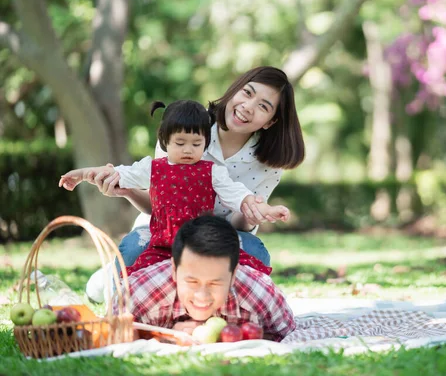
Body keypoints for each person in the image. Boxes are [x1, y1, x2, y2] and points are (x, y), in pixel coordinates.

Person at [87, 66, 305, 302]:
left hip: (221, 236)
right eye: (247, 93)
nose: (248, 107)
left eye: (263, 106)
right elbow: (158, 204)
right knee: (131, 254)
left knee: (256, 254)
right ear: (234, 91)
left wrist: (251, 214)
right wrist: (128, 191)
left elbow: (240, 225)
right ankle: (107, 279)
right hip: (164, 229)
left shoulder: (269, 163)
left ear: (270, 122)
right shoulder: (186, 127)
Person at [59, 100, 289, 275]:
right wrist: (80, 175)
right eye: (180, 143)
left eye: (197, 144)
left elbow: (238, 195)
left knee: (241, 268)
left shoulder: (212, 171)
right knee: (136, 280)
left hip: (202, 244)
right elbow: (118, 173)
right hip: (162, 244)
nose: (188, 150)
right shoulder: (152, 168)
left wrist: (266, 210)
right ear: (165, 140)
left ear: (205, 143)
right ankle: (111, 287)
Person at [114, 214, 296, 342]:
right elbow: (112, 335)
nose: (202, 296)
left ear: (233, 276)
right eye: (192, 282)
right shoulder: (139, 293)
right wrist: (163, 336)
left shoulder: (261, 293)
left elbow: (287, 334)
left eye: (215, 283)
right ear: (175, 272)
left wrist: (237, 336)